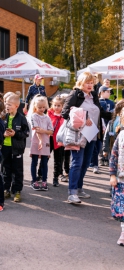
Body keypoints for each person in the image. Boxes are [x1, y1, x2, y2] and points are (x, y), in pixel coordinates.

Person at [61, 72, 111, 204]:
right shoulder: (75, 94)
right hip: (78, 134)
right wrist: (84, 118)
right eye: (87, 82)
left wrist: (117, 114)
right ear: (80, 83)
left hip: (92, 134)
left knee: (85, 164)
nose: (89, 85)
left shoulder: (94, 95)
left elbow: (101, 113)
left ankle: (78, 188)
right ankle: (72, 193)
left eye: (91, 83)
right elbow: (65, 113)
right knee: (77, 163)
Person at [2, 94, 29, 202]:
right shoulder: (3, 117)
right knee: (5, 169)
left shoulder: (22, 118)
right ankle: (6, 189)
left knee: (17, 170)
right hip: (5, 148)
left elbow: (26, 133)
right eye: (6, 103)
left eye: (9, 104)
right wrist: (3, 134)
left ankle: (17, 191)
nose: (6, 106)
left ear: (17, 106)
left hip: (17, 149)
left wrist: (15, 134)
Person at [29, 95, 53, 191]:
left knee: (44, 162)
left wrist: (44, 131)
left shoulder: (47, 118)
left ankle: (44, 181)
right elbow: (37, 129)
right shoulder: (33, 116)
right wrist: (40, 139)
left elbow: (51, 131)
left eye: (43, 107)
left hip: (46, 142)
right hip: (36, 141)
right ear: (35, 106)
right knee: (34, 161)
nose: (42, 109)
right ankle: (34, 181)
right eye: (40, 107)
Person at [91, 85, 115, 172]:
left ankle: (107, 158)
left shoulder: (112, 102)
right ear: (101, 92)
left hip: (109, 125)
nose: (109, 93)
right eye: (107, 92)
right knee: (98, 144)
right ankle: (100, 159)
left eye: (109, 92)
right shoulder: (98, 102)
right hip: (99, 126)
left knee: (107, 141)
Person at [109, 107, 124, 246]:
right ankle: (123, 233)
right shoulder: (121, 136)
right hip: (121, 178)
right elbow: (113, 157)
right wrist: (112, 175)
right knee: (123, 209)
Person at [47, 95, 65, 187]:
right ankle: (41, 176)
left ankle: (55, 178)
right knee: (45, 158)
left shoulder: (64, 115)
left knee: (58, 161)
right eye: (55, 105)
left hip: (59, 140)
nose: (56, 107)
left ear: (62, 106)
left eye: (59, 105)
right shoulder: (49, 114)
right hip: (49, 138)